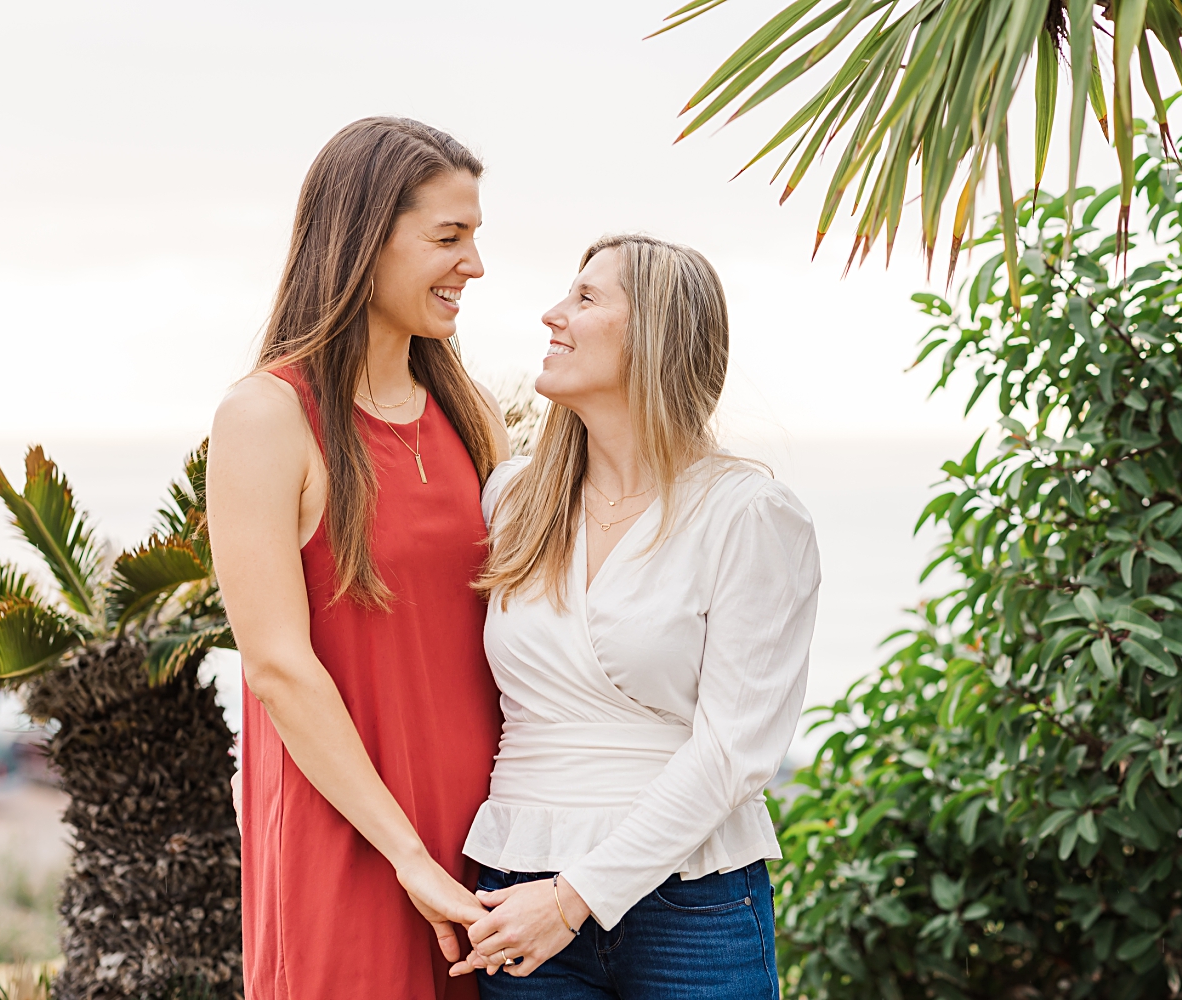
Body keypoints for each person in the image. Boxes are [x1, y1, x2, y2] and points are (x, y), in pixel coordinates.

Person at [457, 234, 820, 998]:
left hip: (692, 899)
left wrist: (573, 898)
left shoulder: (750, 514)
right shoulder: (513, 499)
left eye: (586, 298)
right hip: (515, 887)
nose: (553, 314)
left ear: (656, 334)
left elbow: (733, 751)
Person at [206, 117, 511, 1000]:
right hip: (351, 838)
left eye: (476, 239)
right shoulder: (266, 416)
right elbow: (276, 666)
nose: (474, 266)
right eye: (448, 238)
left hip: (488, 839)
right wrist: (409, 860)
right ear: (364, 238)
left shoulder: (470, 413)